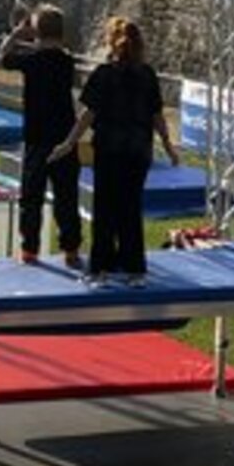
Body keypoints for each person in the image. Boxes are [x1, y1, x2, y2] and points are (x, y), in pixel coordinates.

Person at [51, 15, 178, 285]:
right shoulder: (147, 75)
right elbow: (157, 115)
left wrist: (70, 141)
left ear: (112, 43)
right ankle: (135, 269)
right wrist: (168, 146)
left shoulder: (104, 74)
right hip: (138, 150)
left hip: (110, 149)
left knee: (105, 209)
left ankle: (100, 268)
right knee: (130, 208)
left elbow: (88, 114)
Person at [0, 2, 82, 269]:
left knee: (31, 196)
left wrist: (16, 33)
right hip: (64, 136)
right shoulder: (66, 61)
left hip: (37, 136)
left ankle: (30, 248)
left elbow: (3, 56)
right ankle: (71, 248)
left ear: (36, 32)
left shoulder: (32, 61)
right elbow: (57, 50)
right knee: (66, 195)